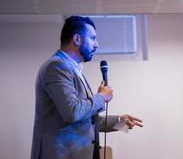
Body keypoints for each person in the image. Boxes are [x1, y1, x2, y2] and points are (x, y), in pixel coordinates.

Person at [30, 16, 143, 159]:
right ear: (77, 39)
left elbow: (87, 120)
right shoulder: (56, 67)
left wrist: (120, 121)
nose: (97, 44)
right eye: (93, 38)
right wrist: (101, 96)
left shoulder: (74, 70)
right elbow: (73, 112)